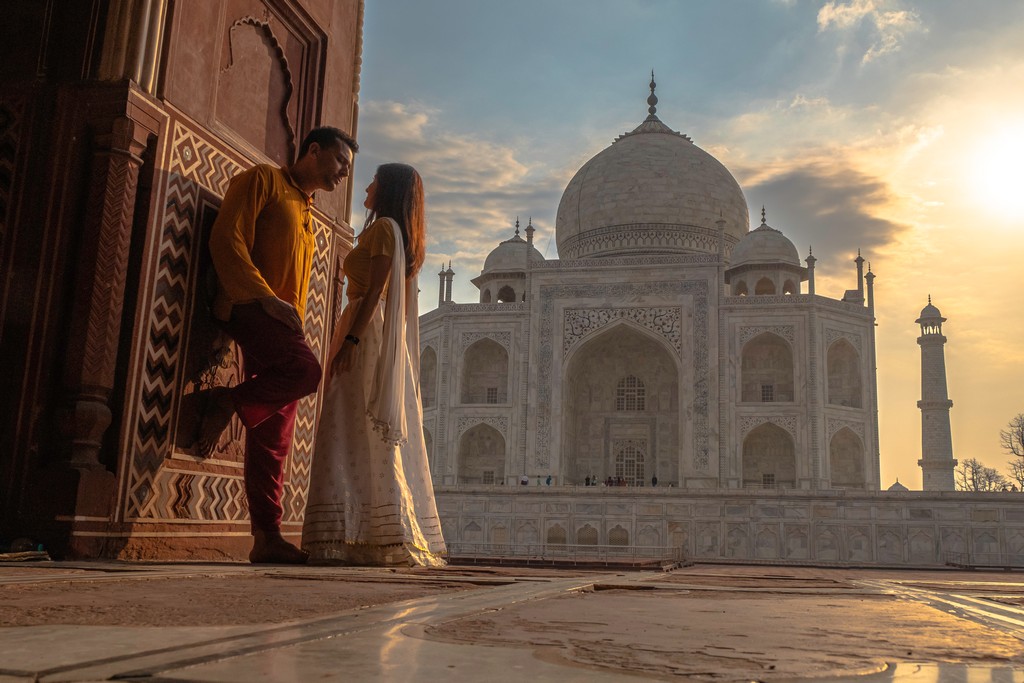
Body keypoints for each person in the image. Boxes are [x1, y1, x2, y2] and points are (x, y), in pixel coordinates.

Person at [200, 126, 357, 564]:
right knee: (306, 372)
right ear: (313, 150)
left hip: (281, 321)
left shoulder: (307, 211)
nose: (345, 172)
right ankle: (229, 401)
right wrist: (264, 297)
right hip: (249, 304)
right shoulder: (262, 181)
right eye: (341, 161)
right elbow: (226, 238)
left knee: (275, 437)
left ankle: (266, 536)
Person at [301, 163, 446, 567]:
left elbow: (375, 290)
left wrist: (350, 340)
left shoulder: (384, 229)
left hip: (365, 332)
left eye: (374, 181)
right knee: (359, 429)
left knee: (351, 426)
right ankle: (366, 534)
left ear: (389, 190)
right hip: (372, 330)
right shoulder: (391, 231)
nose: (366, 186)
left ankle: (374, 534)